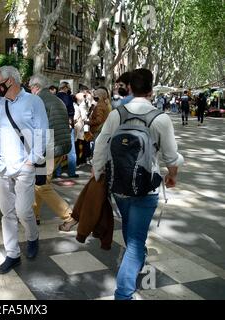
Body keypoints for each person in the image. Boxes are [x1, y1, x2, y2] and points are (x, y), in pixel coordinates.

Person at [92, 68, 184, 300]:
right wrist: (172, 175)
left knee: (131, 233)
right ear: (152, 91)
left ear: (130, 88)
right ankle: (123, 294)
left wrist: (98, 173)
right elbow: (171, 157)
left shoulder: (116, 115)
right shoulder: (160, 118)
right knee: (135, 241)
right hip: (147, 188)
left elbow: (101, 146)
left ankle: (136, 260)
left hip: (119, 185)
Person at [0, 66, 49, 274]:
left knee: (24, 211)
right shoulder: (0, 104)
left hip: (24, 165)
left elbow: (42, 133)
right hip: (2, 167)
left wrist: (32, 161)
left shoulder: (34, 101)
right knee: (7, 213)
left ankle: (33, 237)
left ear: (11, 82)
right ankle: (12, 254)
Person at [29, 74, 78, 232]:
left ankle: (69, 216)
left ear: (36, 87)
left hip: (48, 148)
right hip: (60, 146)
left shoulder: (38, 101)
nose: (30, 91)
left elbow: (36, 128)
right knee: (40, 182)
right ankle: (34, 215)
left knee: (40, 185)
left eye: (30, 88)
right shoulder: (56, 99)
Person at [55, 82, 78, 178]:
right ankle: (71, 172)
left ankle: (57, 172)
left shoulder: (54, 97)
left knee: (58, 150)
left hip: (56, 126)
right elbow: (71, 112)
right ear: (65, 88)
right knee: (71, 150)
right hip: (67, 126)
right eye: (68, 88)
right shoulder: (68, 97)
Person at [84, 87, 111, 154]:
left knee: (96, 150)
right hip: (101, 129)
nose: (94, 97)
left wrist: (88, 122)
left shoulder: (100, 106)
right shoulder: (104, 105)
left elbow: (98, 120)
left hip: (98, 130)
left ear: (100, 96)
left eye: (96, 95)